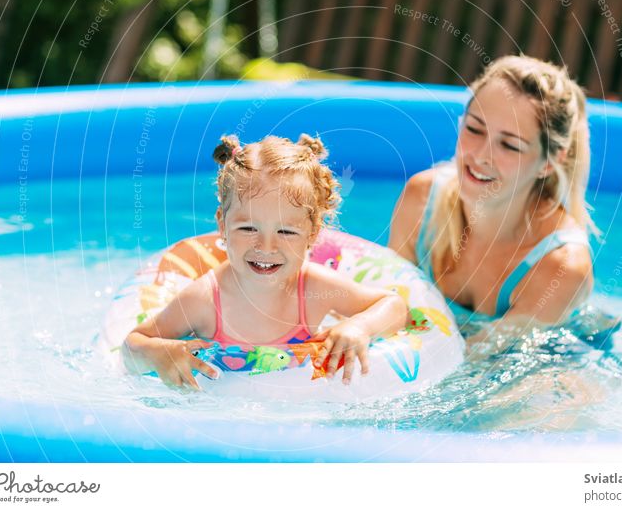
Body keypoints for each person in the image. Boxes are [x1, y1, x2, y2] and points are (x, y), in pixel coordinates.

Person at [123, 134, 408, 389]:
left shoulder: (314, 288)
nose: (266, 246)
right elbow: (133, 345)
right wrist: (162, 352)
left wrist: (360, 326)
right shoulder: (205, 300)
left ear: (312, 233)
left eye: (285, 231)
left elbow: (394, 306)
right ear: (222, 225)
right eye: (248, 228)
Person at [389, 55, 613, 349]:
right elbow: (386, 300)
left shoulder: (559, 266)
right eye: (474, 129)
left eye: (510, 145)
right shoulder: (421, 200)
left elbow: (481, 368)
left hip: (558, 356)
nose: (482, 155)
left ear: (549, 162)